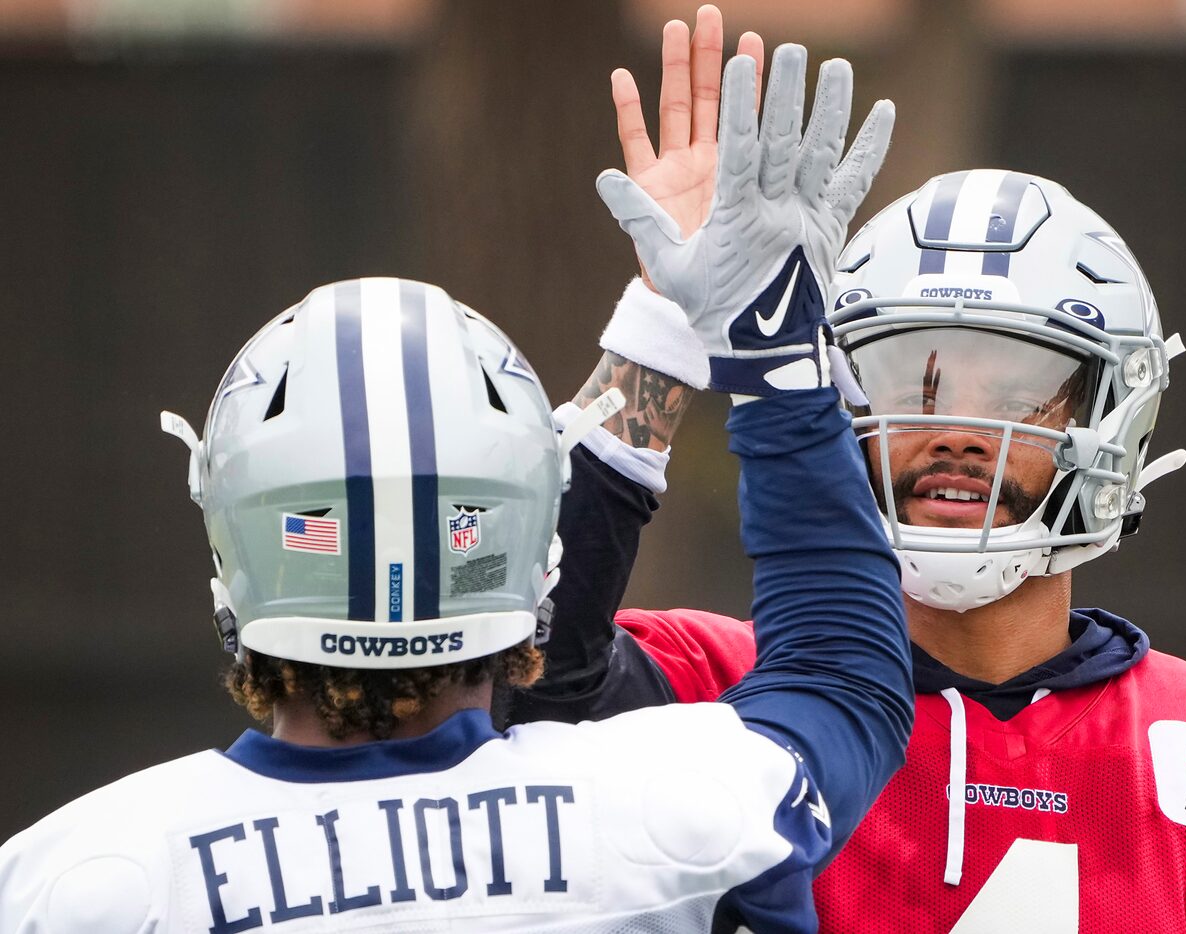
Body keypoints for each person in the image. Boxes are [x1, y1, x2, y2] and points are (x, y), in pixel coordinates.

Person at [508, 7, 1186, 932]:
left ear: (1113, 418)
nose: (960, 433)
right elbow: (530, 679)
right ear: (838, 398)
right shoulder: (720, 680)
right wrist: (668, 318)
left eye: (1017, 392)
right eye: (913, 381)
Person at [0, 46, 913, 931]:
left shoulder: (80, 881)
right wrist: (767, 344)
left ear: (238, 552)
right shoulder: (681, 818)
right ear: (531, 566)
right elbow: (844, 673)